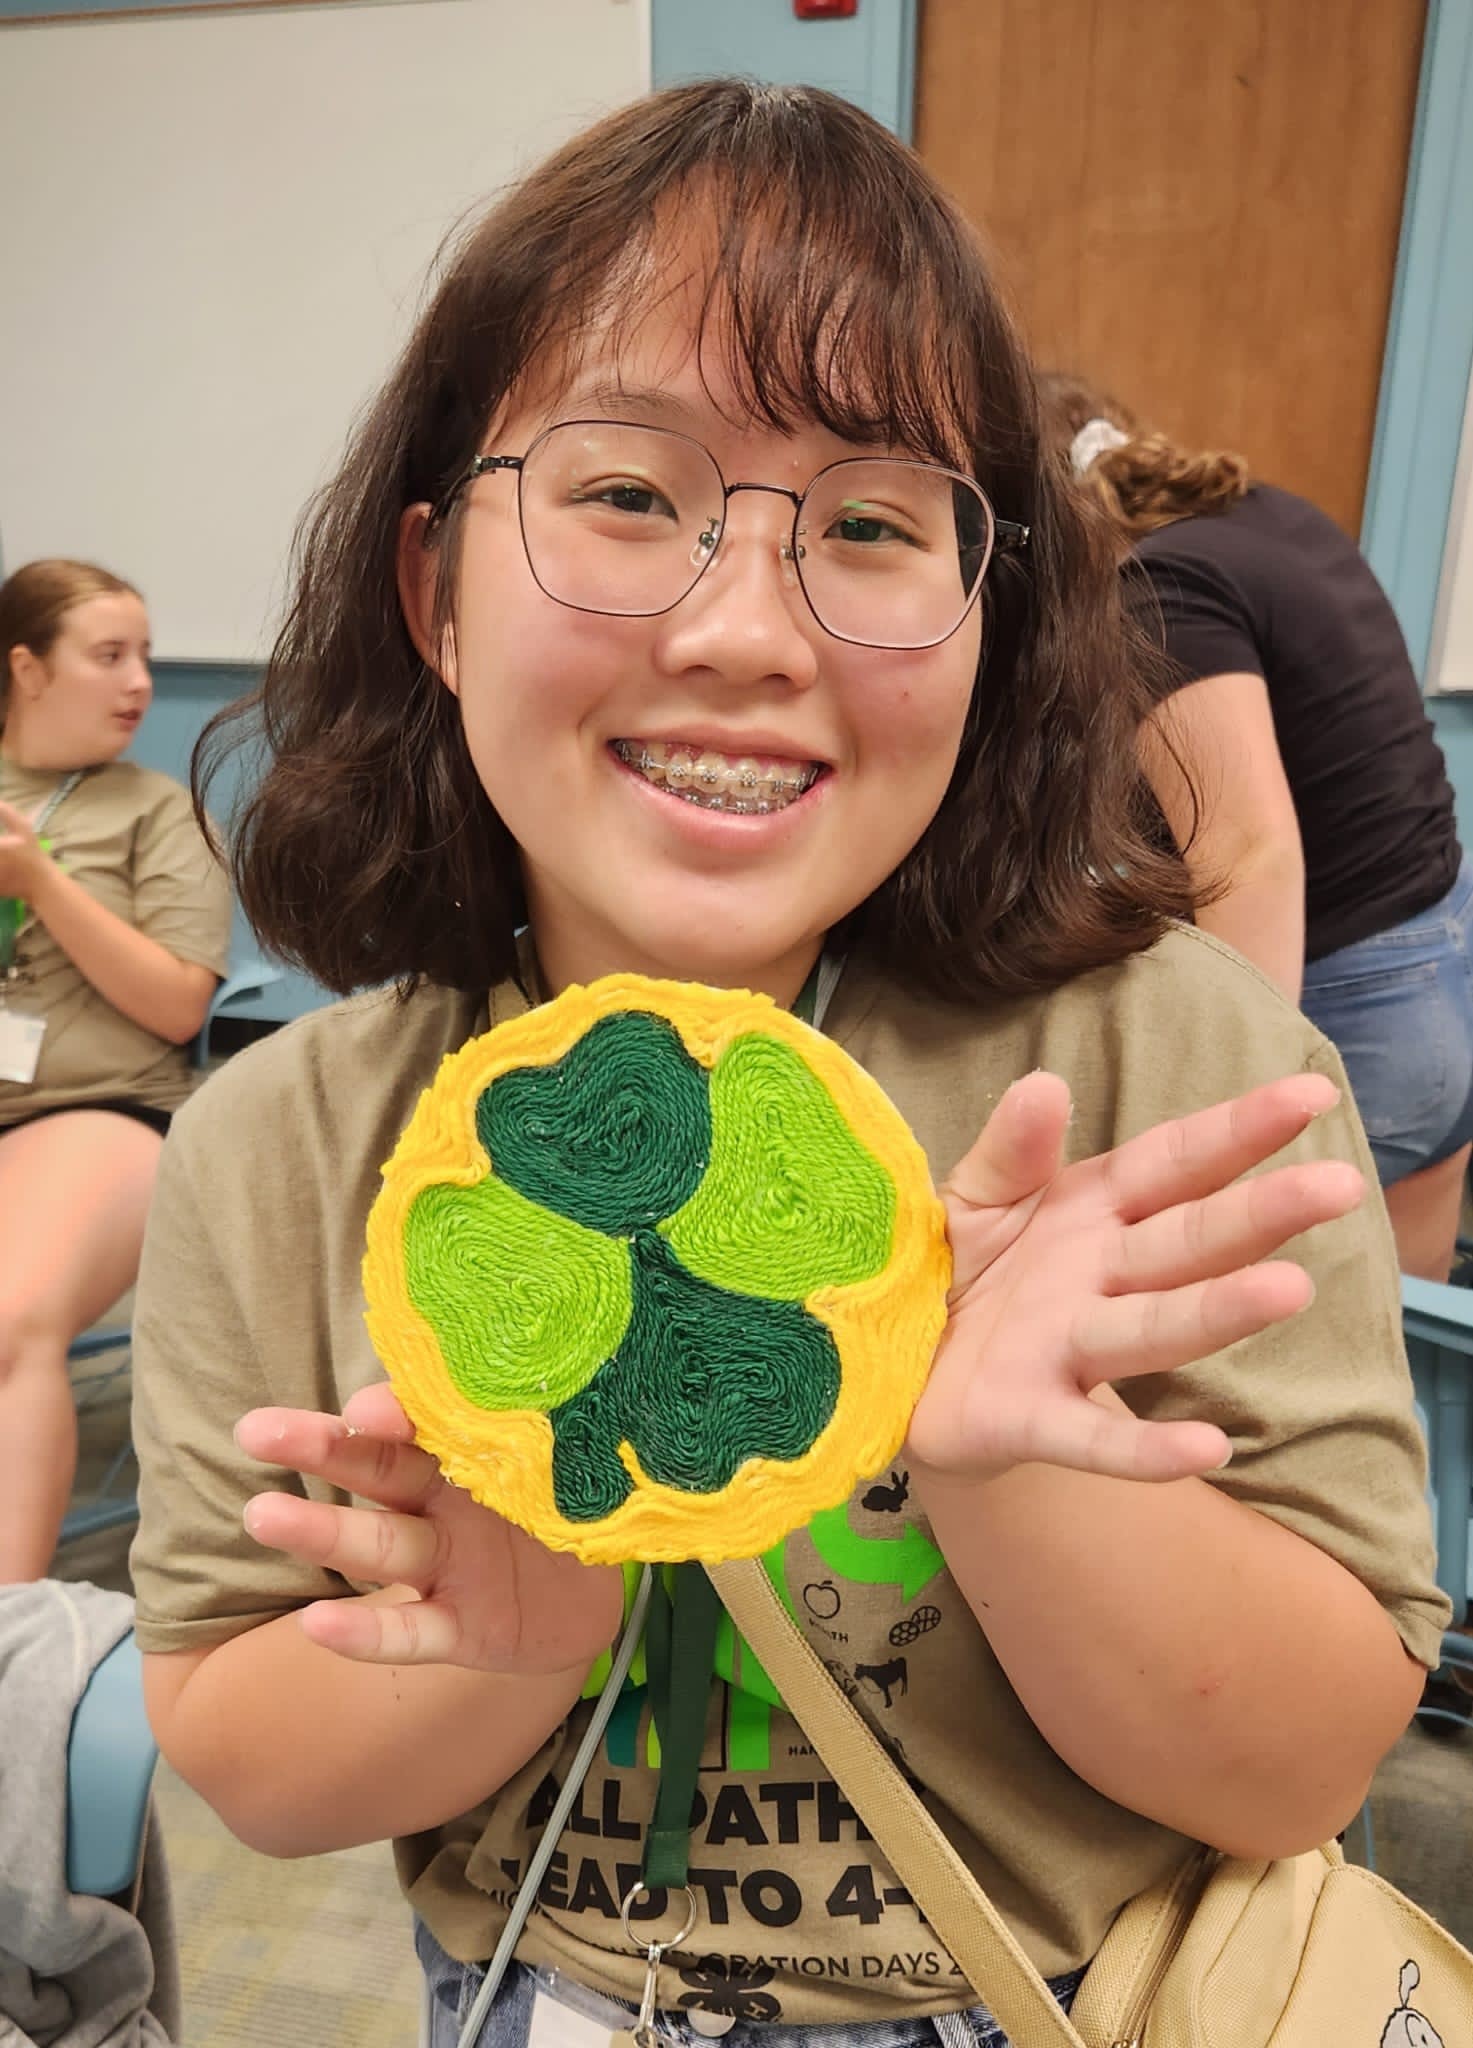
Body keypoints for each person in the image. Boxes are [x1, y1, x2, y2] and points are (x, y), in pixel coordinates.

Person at [131, 83, 1445, 2048]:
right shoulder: (286, 1144)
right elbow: (249, 1756)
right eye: (626, 497)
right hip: (541, 1993)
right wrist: (512, 1640)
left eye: (867, 524)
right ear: (436, 593)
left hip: (1072, 1996)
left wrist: (1004, 1474)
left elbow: (1299, 1770)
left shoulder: (1164, 1062)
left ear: (985, 617)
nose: (745, 629)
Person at [1040, 373, 1473, 1282]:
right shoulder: (1265, 515)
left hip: (1360, 1011)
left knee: (1260, 1346)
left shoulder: (1156, 590)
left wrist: (1232, 1111)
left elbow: (1250, 854)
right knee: (1390, 1356)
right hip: (1446, 968)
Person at [0, 559, 231, 1580]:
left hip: (104, 1107)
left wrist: (39, 883)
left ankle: (9, 1637)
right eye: (109, 656)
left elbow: (180, 1003)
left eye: (143, 654)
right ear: (28, 668)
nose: (139, 680)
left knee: (11, 1321)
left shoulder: (158, 811)